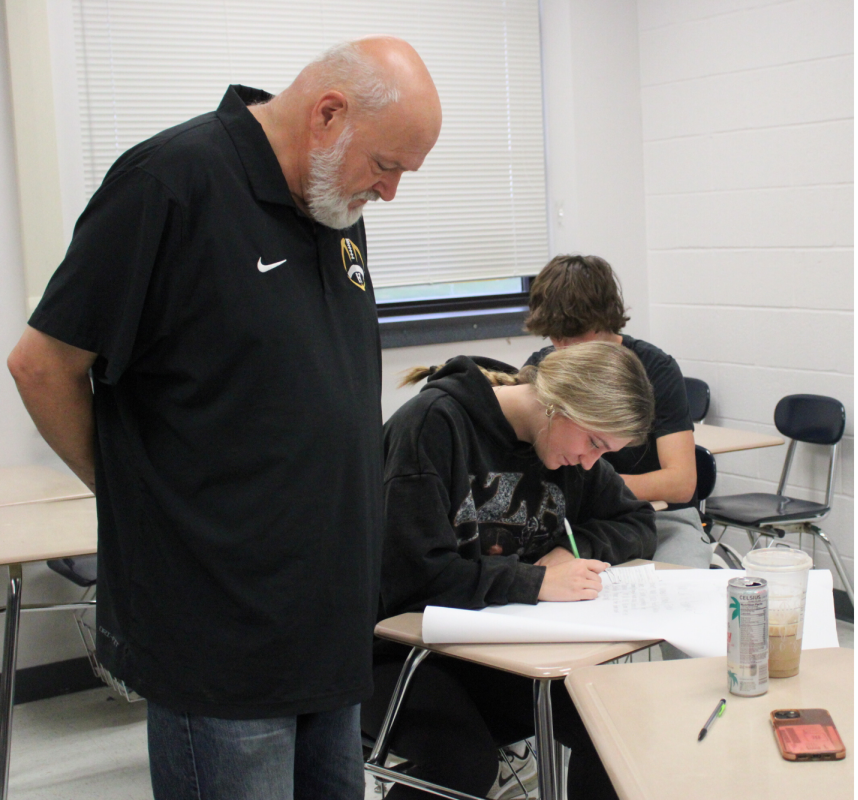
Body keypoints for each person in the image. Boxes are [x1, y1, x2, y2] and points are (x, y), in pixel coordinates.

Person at [6, 37, 441, 800]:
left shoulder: (331, 197)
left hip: (328, 618)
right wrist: (134, 497)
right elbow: (42, 365)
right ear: (328, 115)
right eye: (388, 166)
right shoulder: (169, 181)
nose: (391, 191)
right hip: (221, 624)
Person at [364, 341, 656, 800]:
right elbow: (415, 579)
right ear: (559, 405)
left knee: (611, 732)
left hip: (493, 646)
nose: (589, 462)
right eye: (595, 444)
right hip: (394, 653)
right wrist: (536, 583)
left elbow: (636, 520)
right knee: (462, 763)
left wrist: (563, 552)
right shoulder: (433, 425)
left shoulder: (568, 449)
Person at [524, 254, 712, 569]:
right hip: (575, 524)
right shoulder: (542, 367)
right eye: (556, 338)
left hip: (661, 520)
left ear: (604, 321)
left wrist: (595, 490)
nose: (565, 349)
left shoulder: (655, 369)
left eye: (576, 336)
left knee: (676, 590)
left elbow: (680, 483)